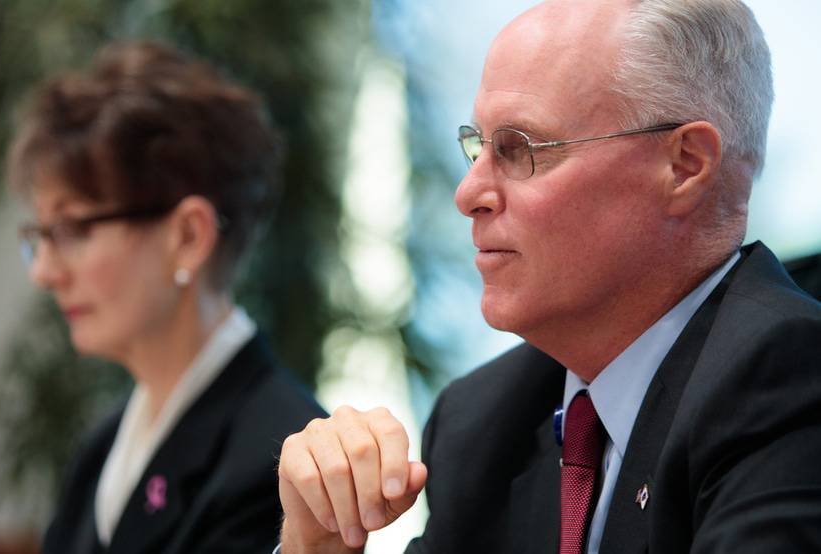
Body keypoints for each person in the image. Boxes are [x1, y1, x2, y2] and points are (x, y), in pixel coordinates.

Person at [275, 0, 821, 552]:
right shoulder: (483, 421)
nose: (469, 195)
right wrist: (317, 546)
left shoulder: (791, 379)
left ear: (684, 166)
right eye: (477, 148)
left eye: (519, 149)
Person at [9, 41, 326, 553]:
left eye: (72, 230)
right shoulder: (102, 446)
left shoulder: (282, 455)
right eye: (40, 238)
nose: (44, 272)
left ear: (188, 237)